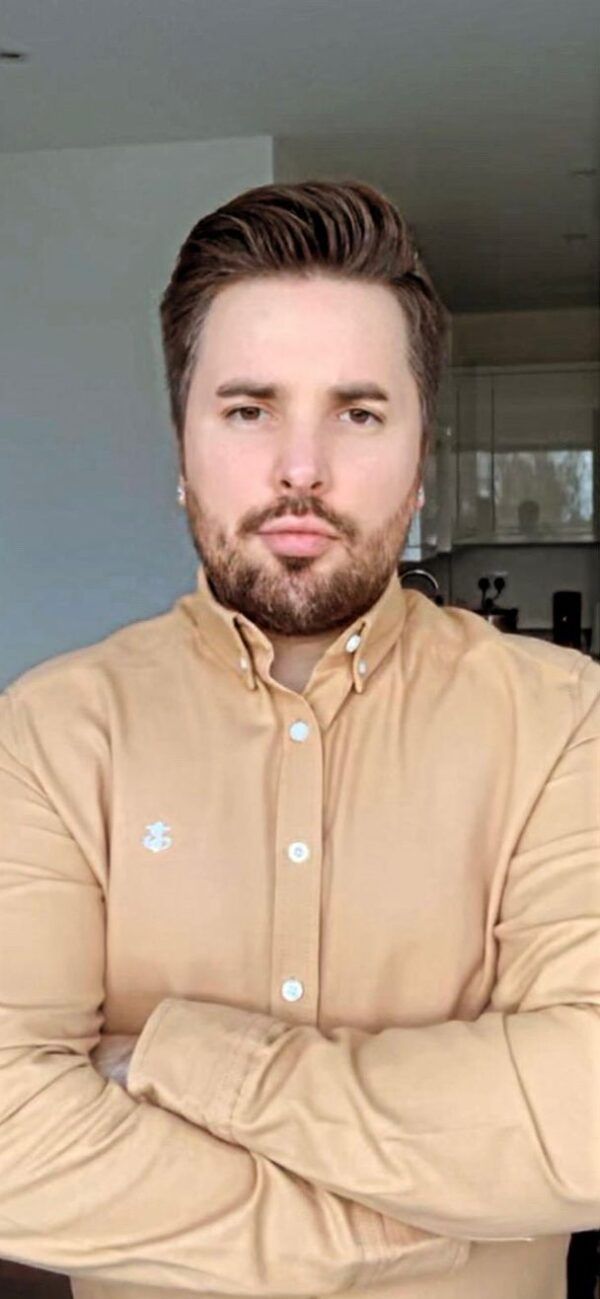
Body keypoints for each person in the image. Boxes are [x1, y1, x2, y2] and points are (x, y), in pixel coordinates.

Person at [0, 180, 598, 1299]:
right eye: (248, 410)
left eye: (358, 413)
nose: (301, 469)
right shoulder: (50, 733)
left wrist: (188, 1062)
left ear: (421, 456)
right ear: (181, 446)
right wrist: (387, 1226)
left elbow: (588, 1114)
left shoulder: (566, 719)